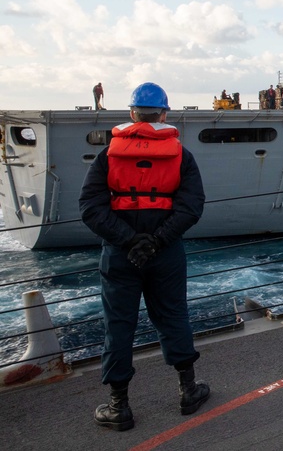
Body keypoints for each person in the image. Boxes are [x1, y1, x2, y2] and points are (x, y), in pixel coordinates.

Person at [78, 82, 209, 432]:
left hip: (121, 256)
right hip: (165, 254)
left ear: (132, 114)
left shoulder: (109, 154)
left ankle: (119, 406)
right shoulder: (182, 155)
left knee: (118, 325)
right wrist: (157, 241)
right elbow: (191, 207)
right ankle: (188, 391)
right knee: (173, 317)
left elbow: (90, 207)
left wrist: (129, 240)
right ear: (164, 114)